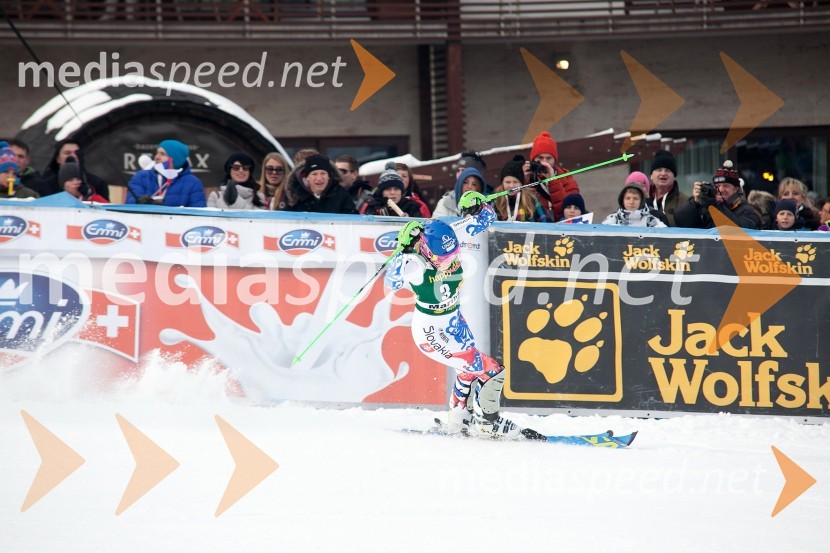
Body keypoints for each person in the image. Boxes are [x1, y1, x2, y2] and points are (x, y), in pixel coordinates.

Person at [384, 191, 535, 439]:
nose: (448, 261)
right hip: (430, 331)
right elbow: (391, 282)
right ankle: (488, 423)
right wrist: (402, 251)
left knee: (467, 369)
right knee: (490, 369)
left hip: (453, 319)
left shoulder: (451, 234)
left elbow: (486, 218)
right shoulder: (415, 263)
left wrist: (476, 202)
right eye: (442, 259)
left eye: (452, 255)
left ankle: (459, 418)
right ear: (423, 249)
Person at [673, 160, 760, 229]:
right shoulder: (707, 206)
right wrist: (695, 203)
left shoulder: (747, 210)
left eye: (726, 186)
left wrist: (714, 206)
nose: (721, 190)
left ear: (736, 189)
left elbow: (737, 230)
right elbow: (681, 222)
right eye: (717, 186)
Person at [126, 139, 206, 207]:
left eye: (163, 154)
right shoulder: (141, 177)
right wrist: (138, 201)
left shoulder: (193, 183)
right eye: (157, 153)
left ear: (175, 159)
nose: (157, 157)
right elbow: (129, 203)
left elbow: (199, 212)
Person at [524, 131, 580, 221]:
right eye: (540, 158)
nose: (544, 162)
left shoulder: (566, 178)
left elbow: (568, 210)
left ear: (555, 160)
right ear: (533, 160)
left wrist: (553, 181)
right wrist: (523, 180)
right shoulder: (527, 177)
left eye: (549, 158)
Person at [279, 153, 356, 214]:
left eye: (323, 173)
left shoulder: (342, 196)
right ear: (307, 178)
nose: (319, 178)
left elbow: (354, 221)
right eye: (314, 174)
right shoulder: (293, 197)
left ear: (329, 176)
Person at [40, 140, 110, 200]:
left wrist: (89, 195)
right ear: (57, 158)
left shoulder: (98, 183)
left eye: (77, 153)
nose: (73, 156)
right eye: (67, 153)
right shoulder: (46, 184)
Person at [492, 155, 552, 222]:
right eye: (507, 182)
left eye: (515, 182)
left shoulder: (531, 198)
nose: (511, 186)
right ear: (502, 183)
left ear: (521, 183)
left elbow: (545, 219)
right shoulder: (496, 200)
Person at [602, 172, 667, 227]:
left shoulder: (651, 220)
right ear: (622, 200)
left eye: (635, 198)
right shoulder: (613, 219)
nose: (631, 202)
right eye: (628, 198)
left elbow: (665, 236)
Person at [647, 150, 687, 227]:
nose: (663, 173)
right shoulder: (641, 200)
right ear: (651, 175)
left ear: (674, 176)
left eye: (667, 170)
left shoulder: (684, 202)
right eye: (659, 170)